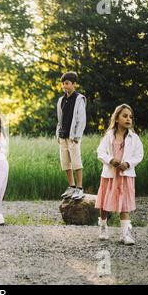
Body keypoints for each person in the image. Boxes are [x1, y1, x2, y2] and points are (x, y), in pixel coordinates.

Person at [95, 104, 144, 245]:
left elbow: (139, 155)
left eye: (130, 117)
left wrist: (128, 163)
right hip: (110, 175)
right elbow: (100, 152)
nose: (128, 119)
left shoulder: (134, 138)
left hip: (125, 175)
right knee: (104, 203)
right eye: (125, 116)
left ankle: (125, 233)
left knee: (125, 204)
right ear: (116, 119)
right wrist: (110, 160)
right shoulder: (109, 136)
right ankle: (103, 226)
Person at [56, 71, 87, 200]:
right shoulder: (61, 100)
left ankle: (79, 188)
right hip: (62, 136)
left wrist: (77, 136)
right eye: (63, 84)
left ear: (74, 84)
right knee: (65, 162)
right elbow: (59, 118)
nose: (64, 86)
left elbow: (81, 119)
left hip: (73, 137)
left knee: (76, 162)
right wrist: (58, 134)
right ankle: (71, 186)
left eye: (67, 83)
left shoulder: (79, 99)